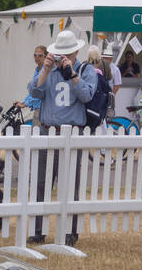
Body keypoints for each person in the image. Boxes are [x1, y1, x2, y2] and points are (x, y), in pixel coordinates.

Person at [26, 30, 95, 245]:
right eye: (59, 54)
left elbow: (86, 95)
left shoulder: (86, 70)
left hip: (71, 133)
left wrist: (72, 74)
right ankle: (38, 230)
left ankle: (69, 231)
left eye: (67, 54)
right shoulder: (48, 70)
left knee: (70, 185)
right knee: (40, 183)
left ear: (76, 51)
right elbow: (33, 93)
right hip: (47, 130)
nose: (63, 58)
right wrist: (45, 69)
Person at [23, 44, 48, 123]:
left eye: (40, 55)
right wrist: (23, 102)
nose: (37, 57)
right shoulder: (37, 70)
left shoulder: (46, 71)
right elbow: (33, 91)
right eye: (35, 55)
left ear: (46, 57)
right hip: (38, 108)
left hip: (43, 109)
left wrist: (25, 104)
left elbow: (38, 93)